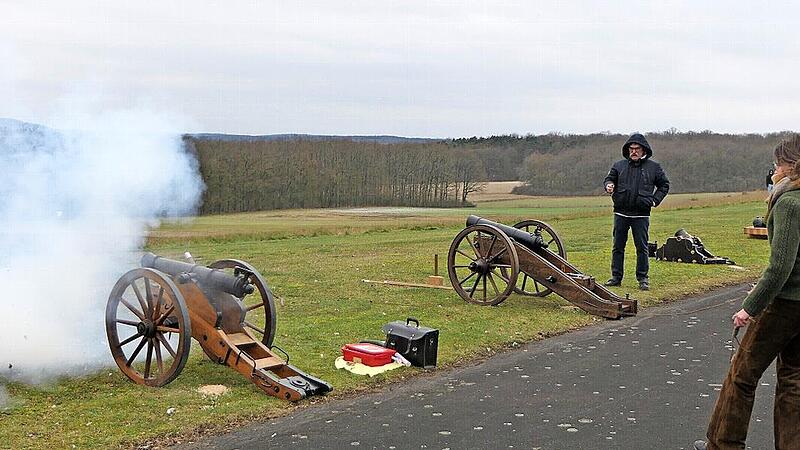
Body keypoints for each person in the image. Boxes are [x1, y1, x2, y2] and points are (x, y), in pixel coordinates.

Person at [694, 135, 800, 450]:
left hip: (784, 305)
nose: (774, 170)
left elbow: (780, 267)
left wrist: (749, 307)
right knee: (794, 383)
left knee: (741, 376)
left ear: (790, 165)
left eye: (777, 164)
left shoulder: (791, 203)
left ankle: (722, 444)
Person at [603, 133, 670, 291]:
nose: (634, 152)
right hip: (621, 213)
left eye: (637, 149)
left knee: (642, 247)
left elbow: (664, 185)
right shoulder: (618, 166)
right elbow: (609, 179)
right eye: (631, 149)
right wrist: (609, 185)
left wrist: (654, 200)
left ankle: (642, 278)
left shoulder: (654, 168)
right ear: (627, 150)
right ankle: (616, 277)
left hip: (641, 214)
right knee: (618, 247)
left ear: (643, 150)